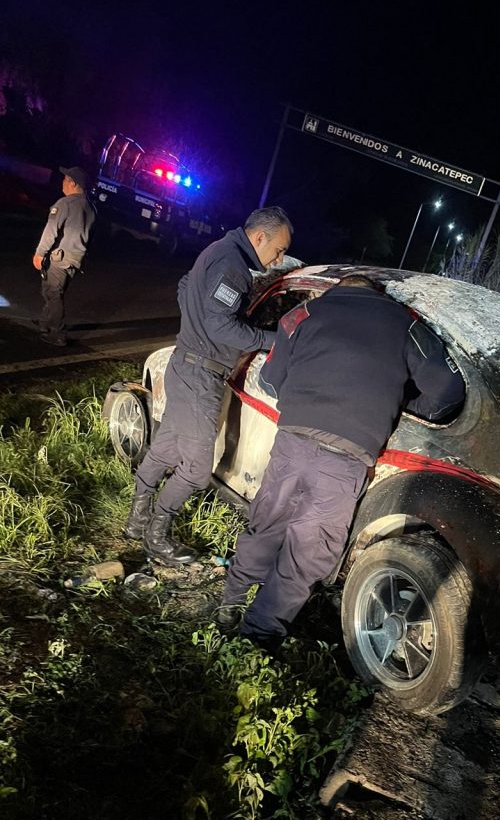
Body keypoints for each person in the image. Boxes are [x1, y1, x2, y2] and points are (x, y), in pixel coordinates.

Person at [217, 273, 466, 647]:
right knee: (309, 549)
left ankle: (231, 602)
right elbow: (449, 390)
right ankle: (260, 633)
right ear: (376, 294)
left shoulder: (303, 314)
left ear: (338, 289)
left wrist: (304, 397)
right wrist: (399, 403)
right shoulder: (407, 324)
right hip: (347, 457)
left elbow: (269, 380)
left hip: (293, 442)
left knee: (267, 523)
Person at [124, 206, 294, 567]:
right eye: (278, 250)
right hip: (201, 374)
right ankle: (157, 534)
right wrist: (272, 340)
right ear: (259, 237)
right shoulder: (233, 266)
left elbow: (186, 287)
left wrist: (195, 326)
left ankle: (137, 521)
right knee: (198, 471)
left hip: (186, 363)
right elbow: (221, 328)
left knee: (166, 447)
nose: (278, 259)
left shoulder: (218, 249)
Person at [32, 166, 97, 347]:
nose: (62, 182)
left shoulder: (64, 204)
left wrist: (39, 253)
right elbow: (90, 237)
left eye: (65, 179)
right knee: (52, 292)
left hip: (59, 258)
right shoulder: (91, 208)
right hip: (75, 260)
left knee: (53, 294)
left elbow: (50, 231)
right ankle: (45, 323)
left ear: (73, 183)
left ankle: (58, 334)